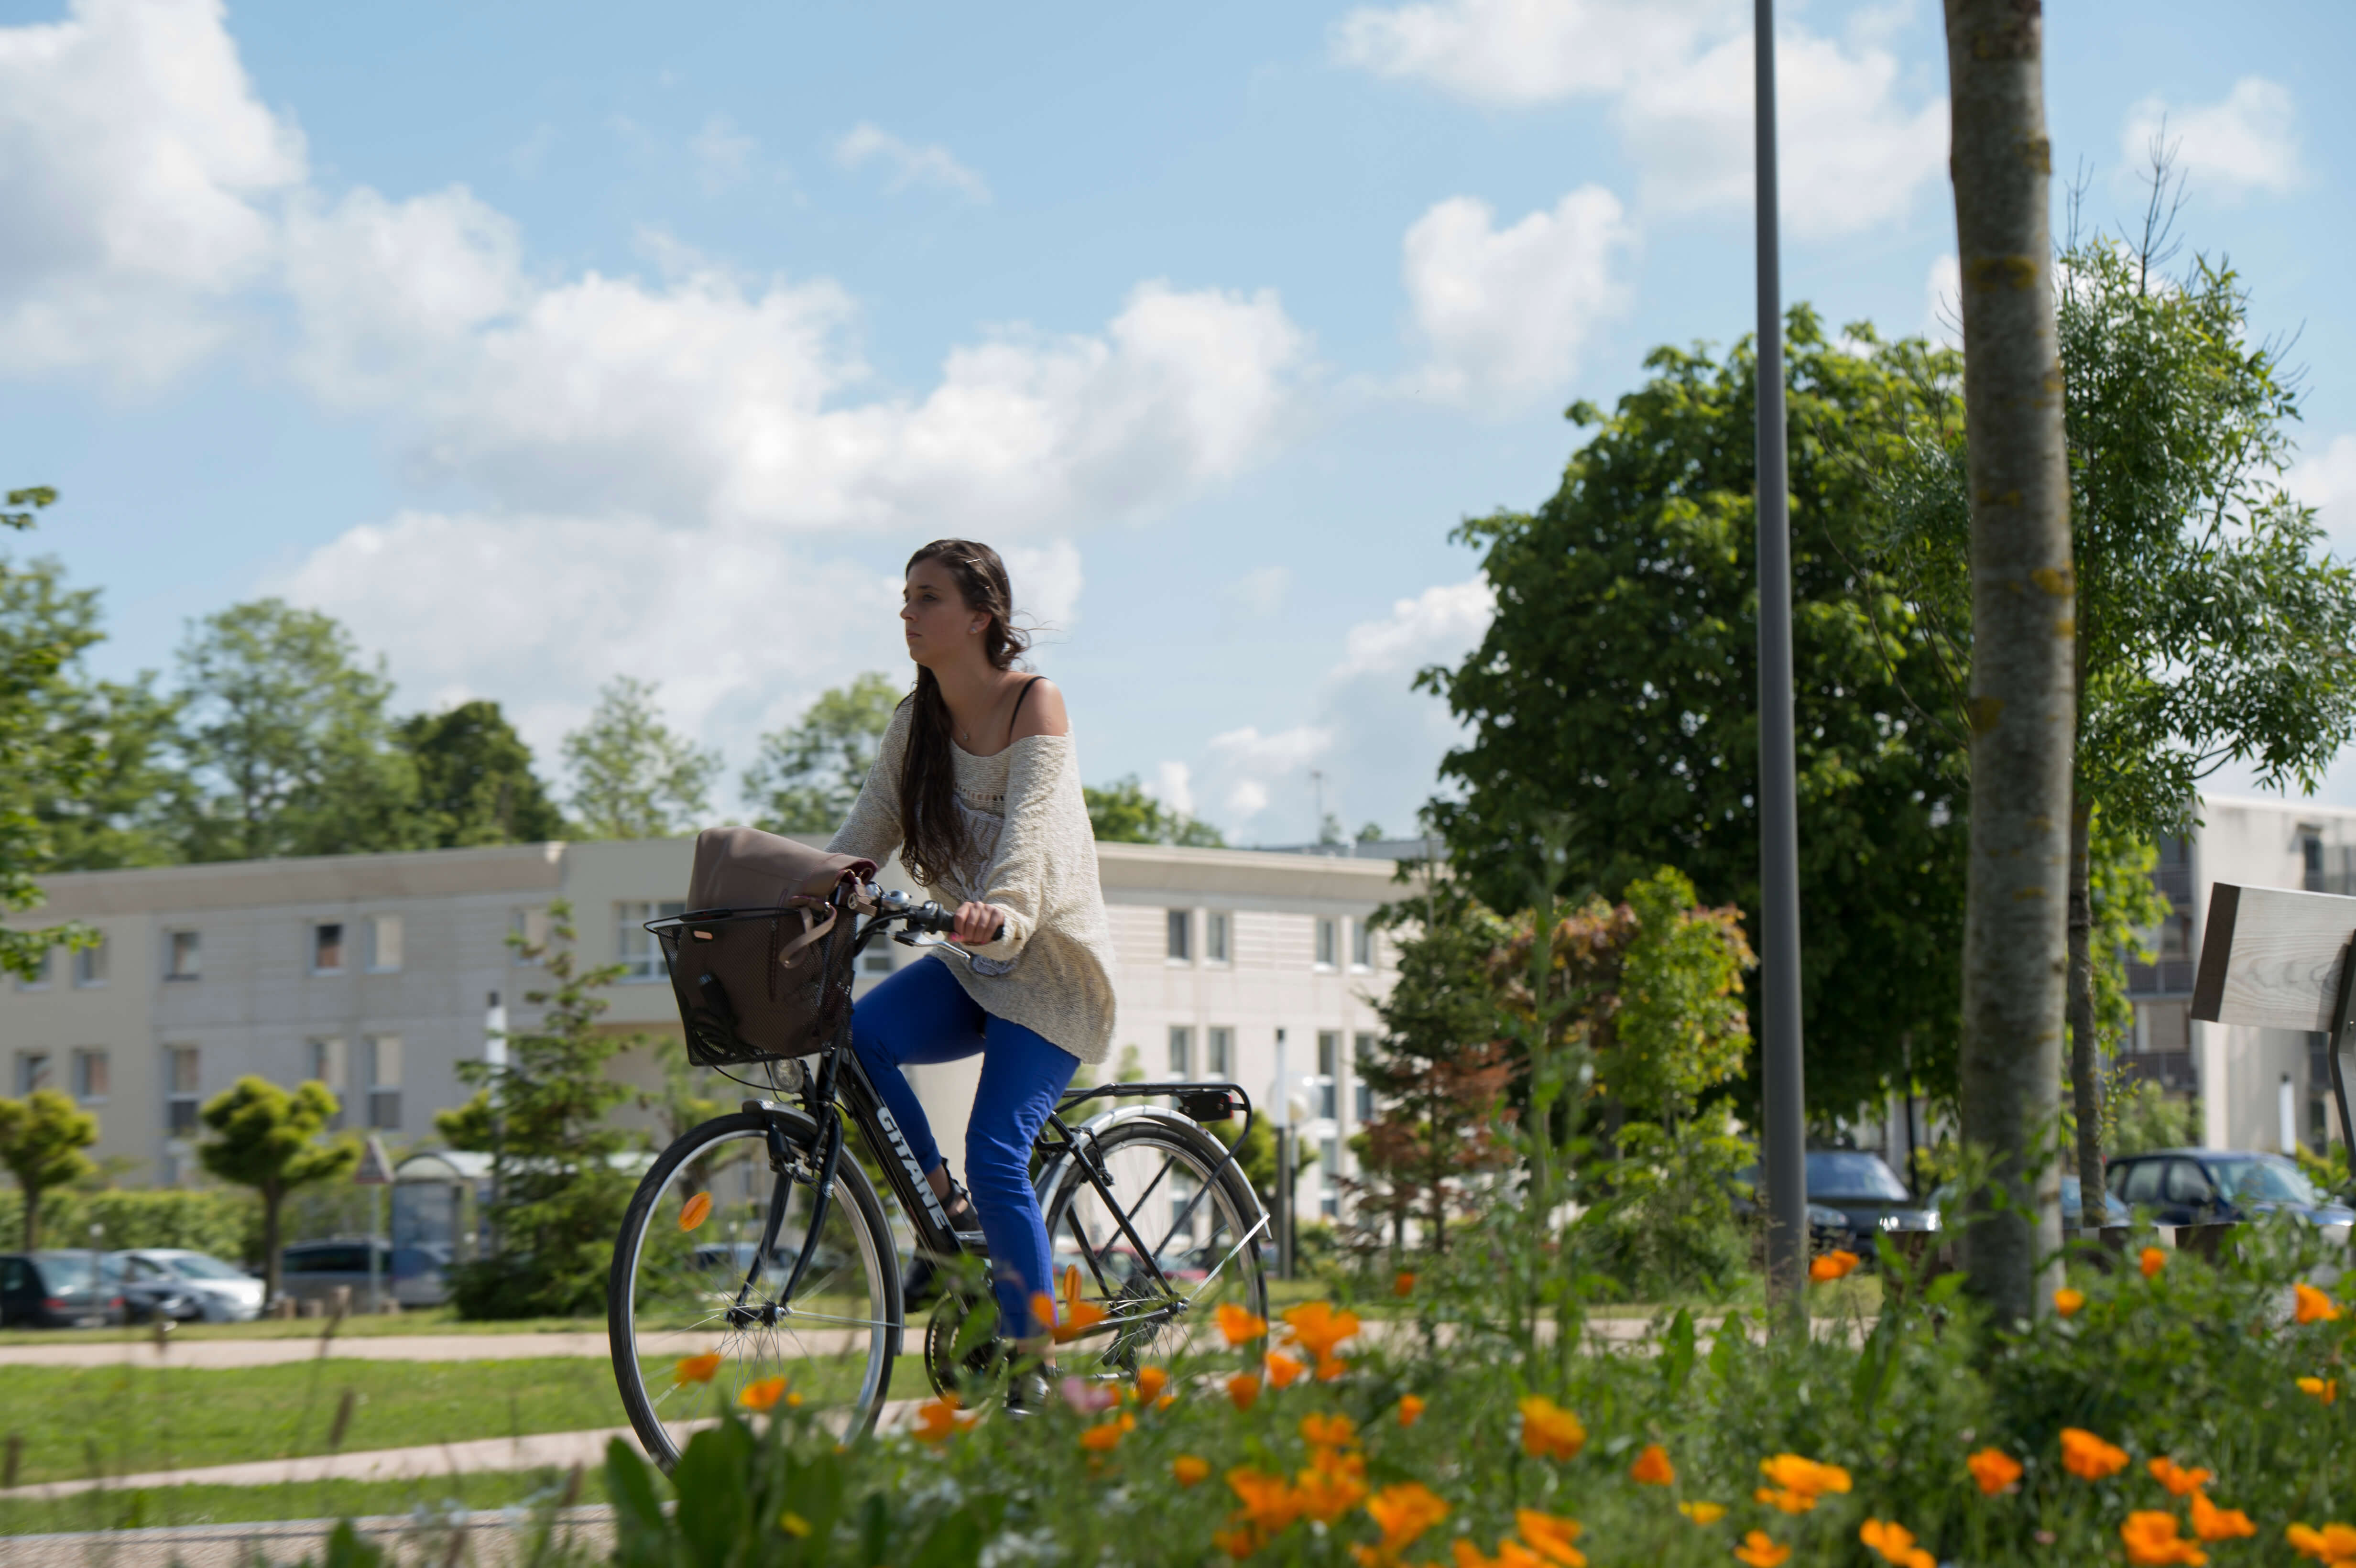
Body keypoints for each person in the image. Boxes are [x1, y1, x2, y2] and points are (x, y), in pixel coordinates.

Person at [829, 539, 1117, 1359]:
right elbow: (863, 835)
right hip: (973, 959)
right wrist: (801, 891)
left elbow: (1033, 832)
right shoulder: (916, 721)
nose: (907, 613)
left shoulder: (1035, 703)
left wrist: (1006, 913)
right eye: (906, 597)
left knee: (998, 1153)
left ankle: (1032, 1364)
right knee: (859, 1034)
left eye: (927, 599)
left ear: (980, 617)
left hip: (1050, 964)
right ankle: (938, 1201)